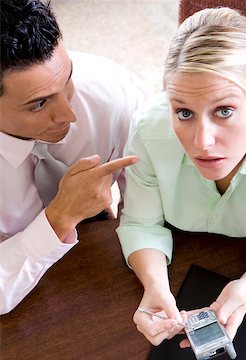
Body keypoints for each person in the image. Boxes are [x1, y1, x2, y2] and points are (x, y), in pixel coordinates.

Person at [116, 7, 246, 347]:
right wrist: (155, 286)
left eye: (224, 111)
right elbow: (141, 223)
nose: (201, 142)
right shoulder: (149, 131)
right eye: (183, 112)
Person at [0, 0, 147, 314]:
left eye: (67, 80)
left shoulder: (115, 95)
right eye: (39, 104)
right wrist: (60, 217)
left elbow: (150, 207)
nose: (69, 115)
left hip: (102, 264)